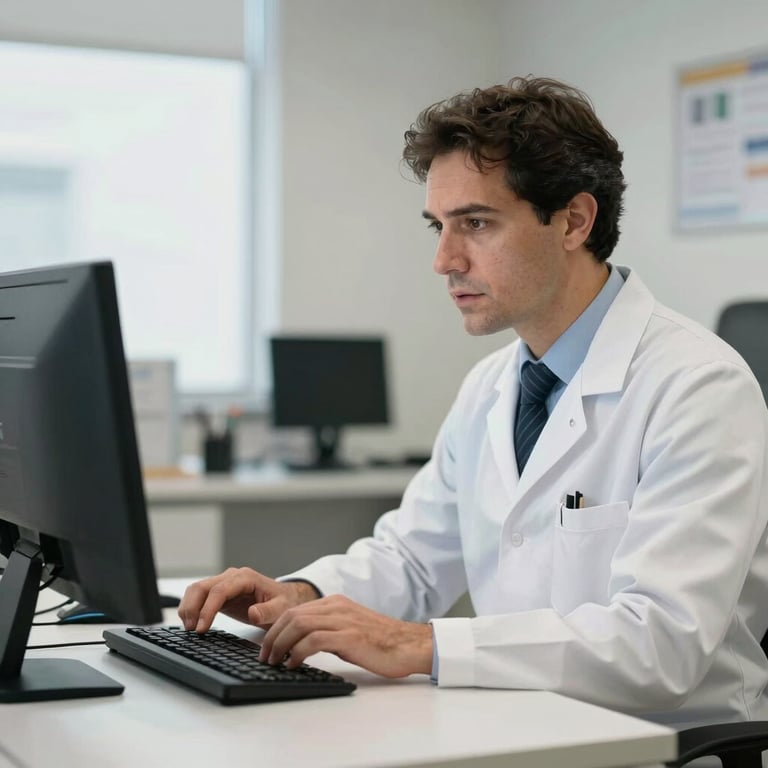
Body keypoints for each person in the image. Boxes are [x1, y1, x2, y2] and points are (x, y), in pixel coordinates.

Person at [179, 76, 768, 727]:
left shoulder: (698, 387)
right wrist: (300, 594)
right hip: (519, 725)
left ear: (574, 220)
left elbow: (660, 646)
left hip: (667, 743)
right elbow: (413, 556)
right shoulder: (492, 384)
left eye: (476, 224)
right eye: (438, 226)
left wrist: (420, 644)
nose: (443, 260)